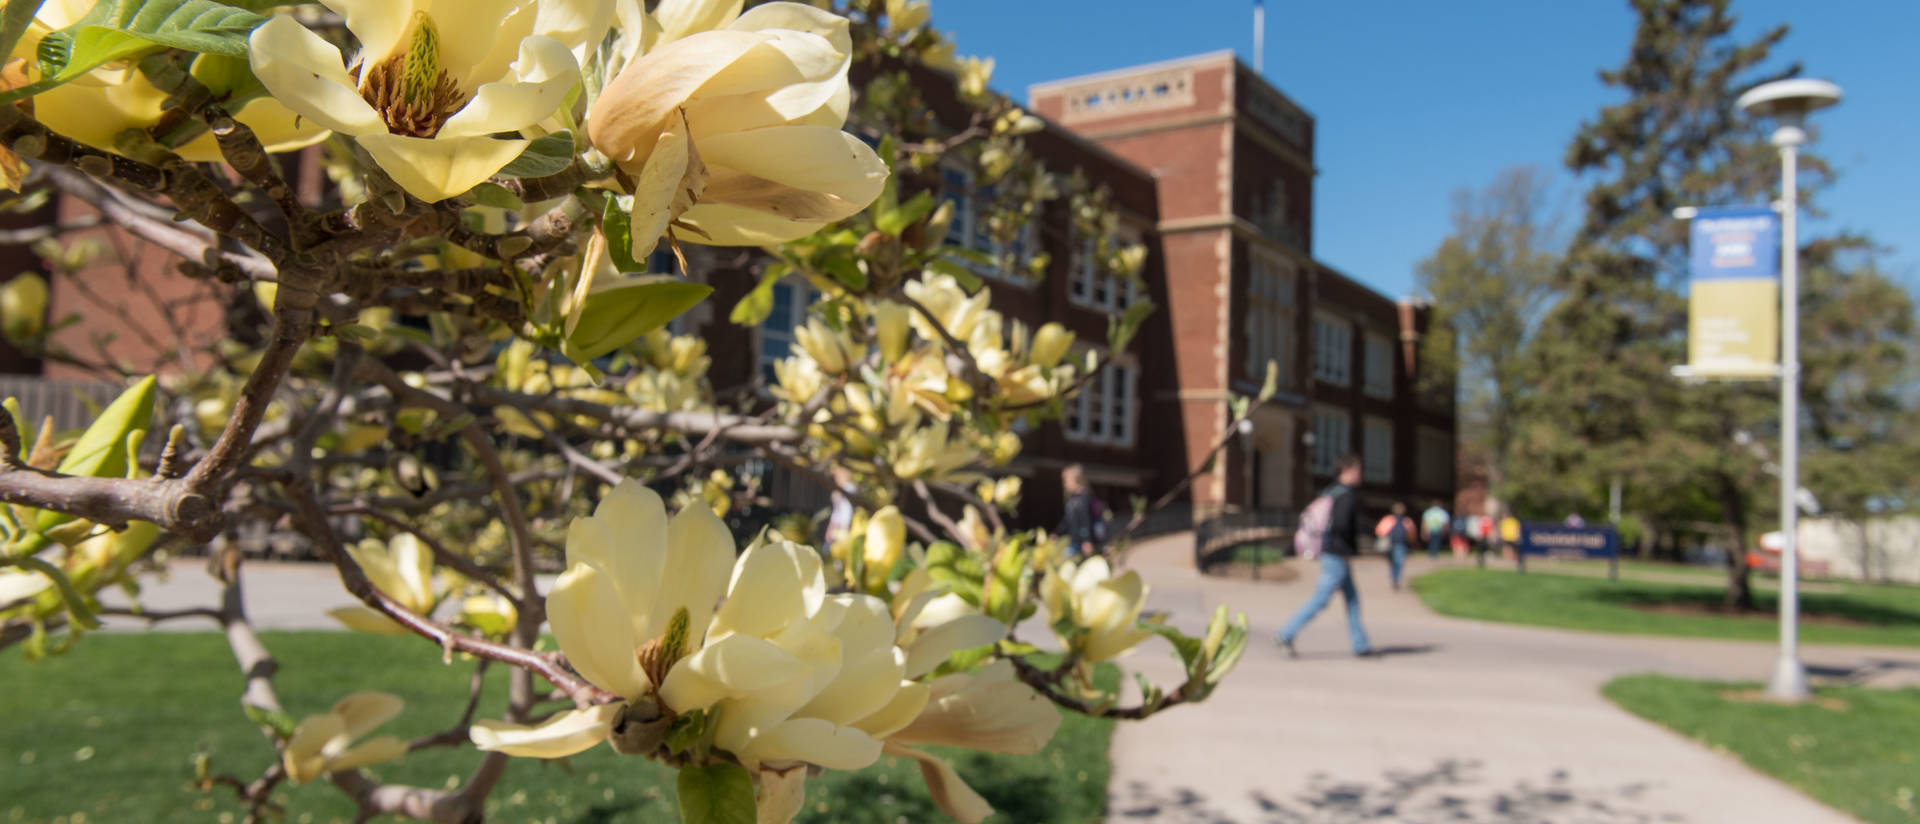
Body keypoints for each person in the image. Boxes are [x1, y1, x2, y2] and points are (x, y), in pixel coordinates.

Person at [1276, 454, 1372, 657]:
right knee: (1320, 599)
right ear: (1348, 470)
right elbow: (1342, 526)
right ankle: (1286, 633)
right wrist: (1364, 532)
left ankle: (1360, 644)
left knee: (1353, 600)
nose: (1360, 474)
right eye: (1358, 470)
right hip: (1337, 556)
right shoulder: (1345, 496)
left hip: (1335, 555)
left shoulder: (1331, 492)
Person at [1055, 464, 1109, 558]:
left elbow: (1086, 520)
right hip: (1074, 541)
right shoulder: (1072, 499)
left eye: (1065, 480)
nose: (1064, 483)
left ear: (1075, 480)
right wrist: (1056, 533)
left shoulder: (1084, 498)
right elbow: (1067, 520)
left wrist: (1086, 540)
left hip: (1082, 543)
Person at [1374, 502, 1416, 590]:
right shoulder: (1407, 521)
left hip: (1389, 545)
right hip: (1401, 544)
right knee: (1399, 563)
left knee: (1392, 563)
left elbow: (1379, 531)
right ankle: (1395, 579)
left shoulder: (1388, 520)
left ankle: (1393, 577)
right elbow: (1412, 534)